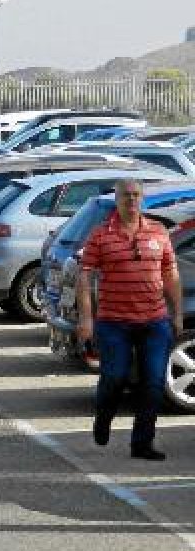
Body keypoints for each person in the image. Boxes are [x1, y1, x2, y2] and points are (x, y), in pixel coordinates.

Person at [78, 179, 180, 461]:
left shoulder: (159, 232)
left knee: (154, 383)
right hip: (114, 323)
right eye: (126, 195)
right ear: (117, 198)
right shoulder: (100, 235)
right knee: (114, 377)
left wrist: (177, 313)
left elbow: (171, 274)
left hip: (155, 321)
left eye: (136, 195)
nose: (131, 200)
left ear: (142, 198)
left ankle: (142, 443)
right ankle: (103, 417)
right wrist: (86, 318)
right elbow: (84, 277)